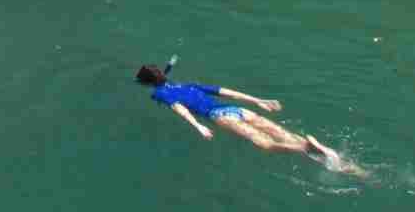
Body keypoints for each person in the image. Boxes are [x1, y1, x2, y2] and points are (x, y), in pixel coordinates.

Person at [137, 65, 350, 171]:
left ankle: (307, 148)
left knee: (265, 144)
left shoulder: (160, 94)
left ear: (148, 83)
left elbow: (178, 107)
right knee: (284, 135)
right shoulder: (187, 85)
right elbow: (226, 91)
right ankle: (343, 164)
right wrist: (259, 100)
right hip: (236, 109)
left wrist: (197, 126)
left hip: (219, 116)